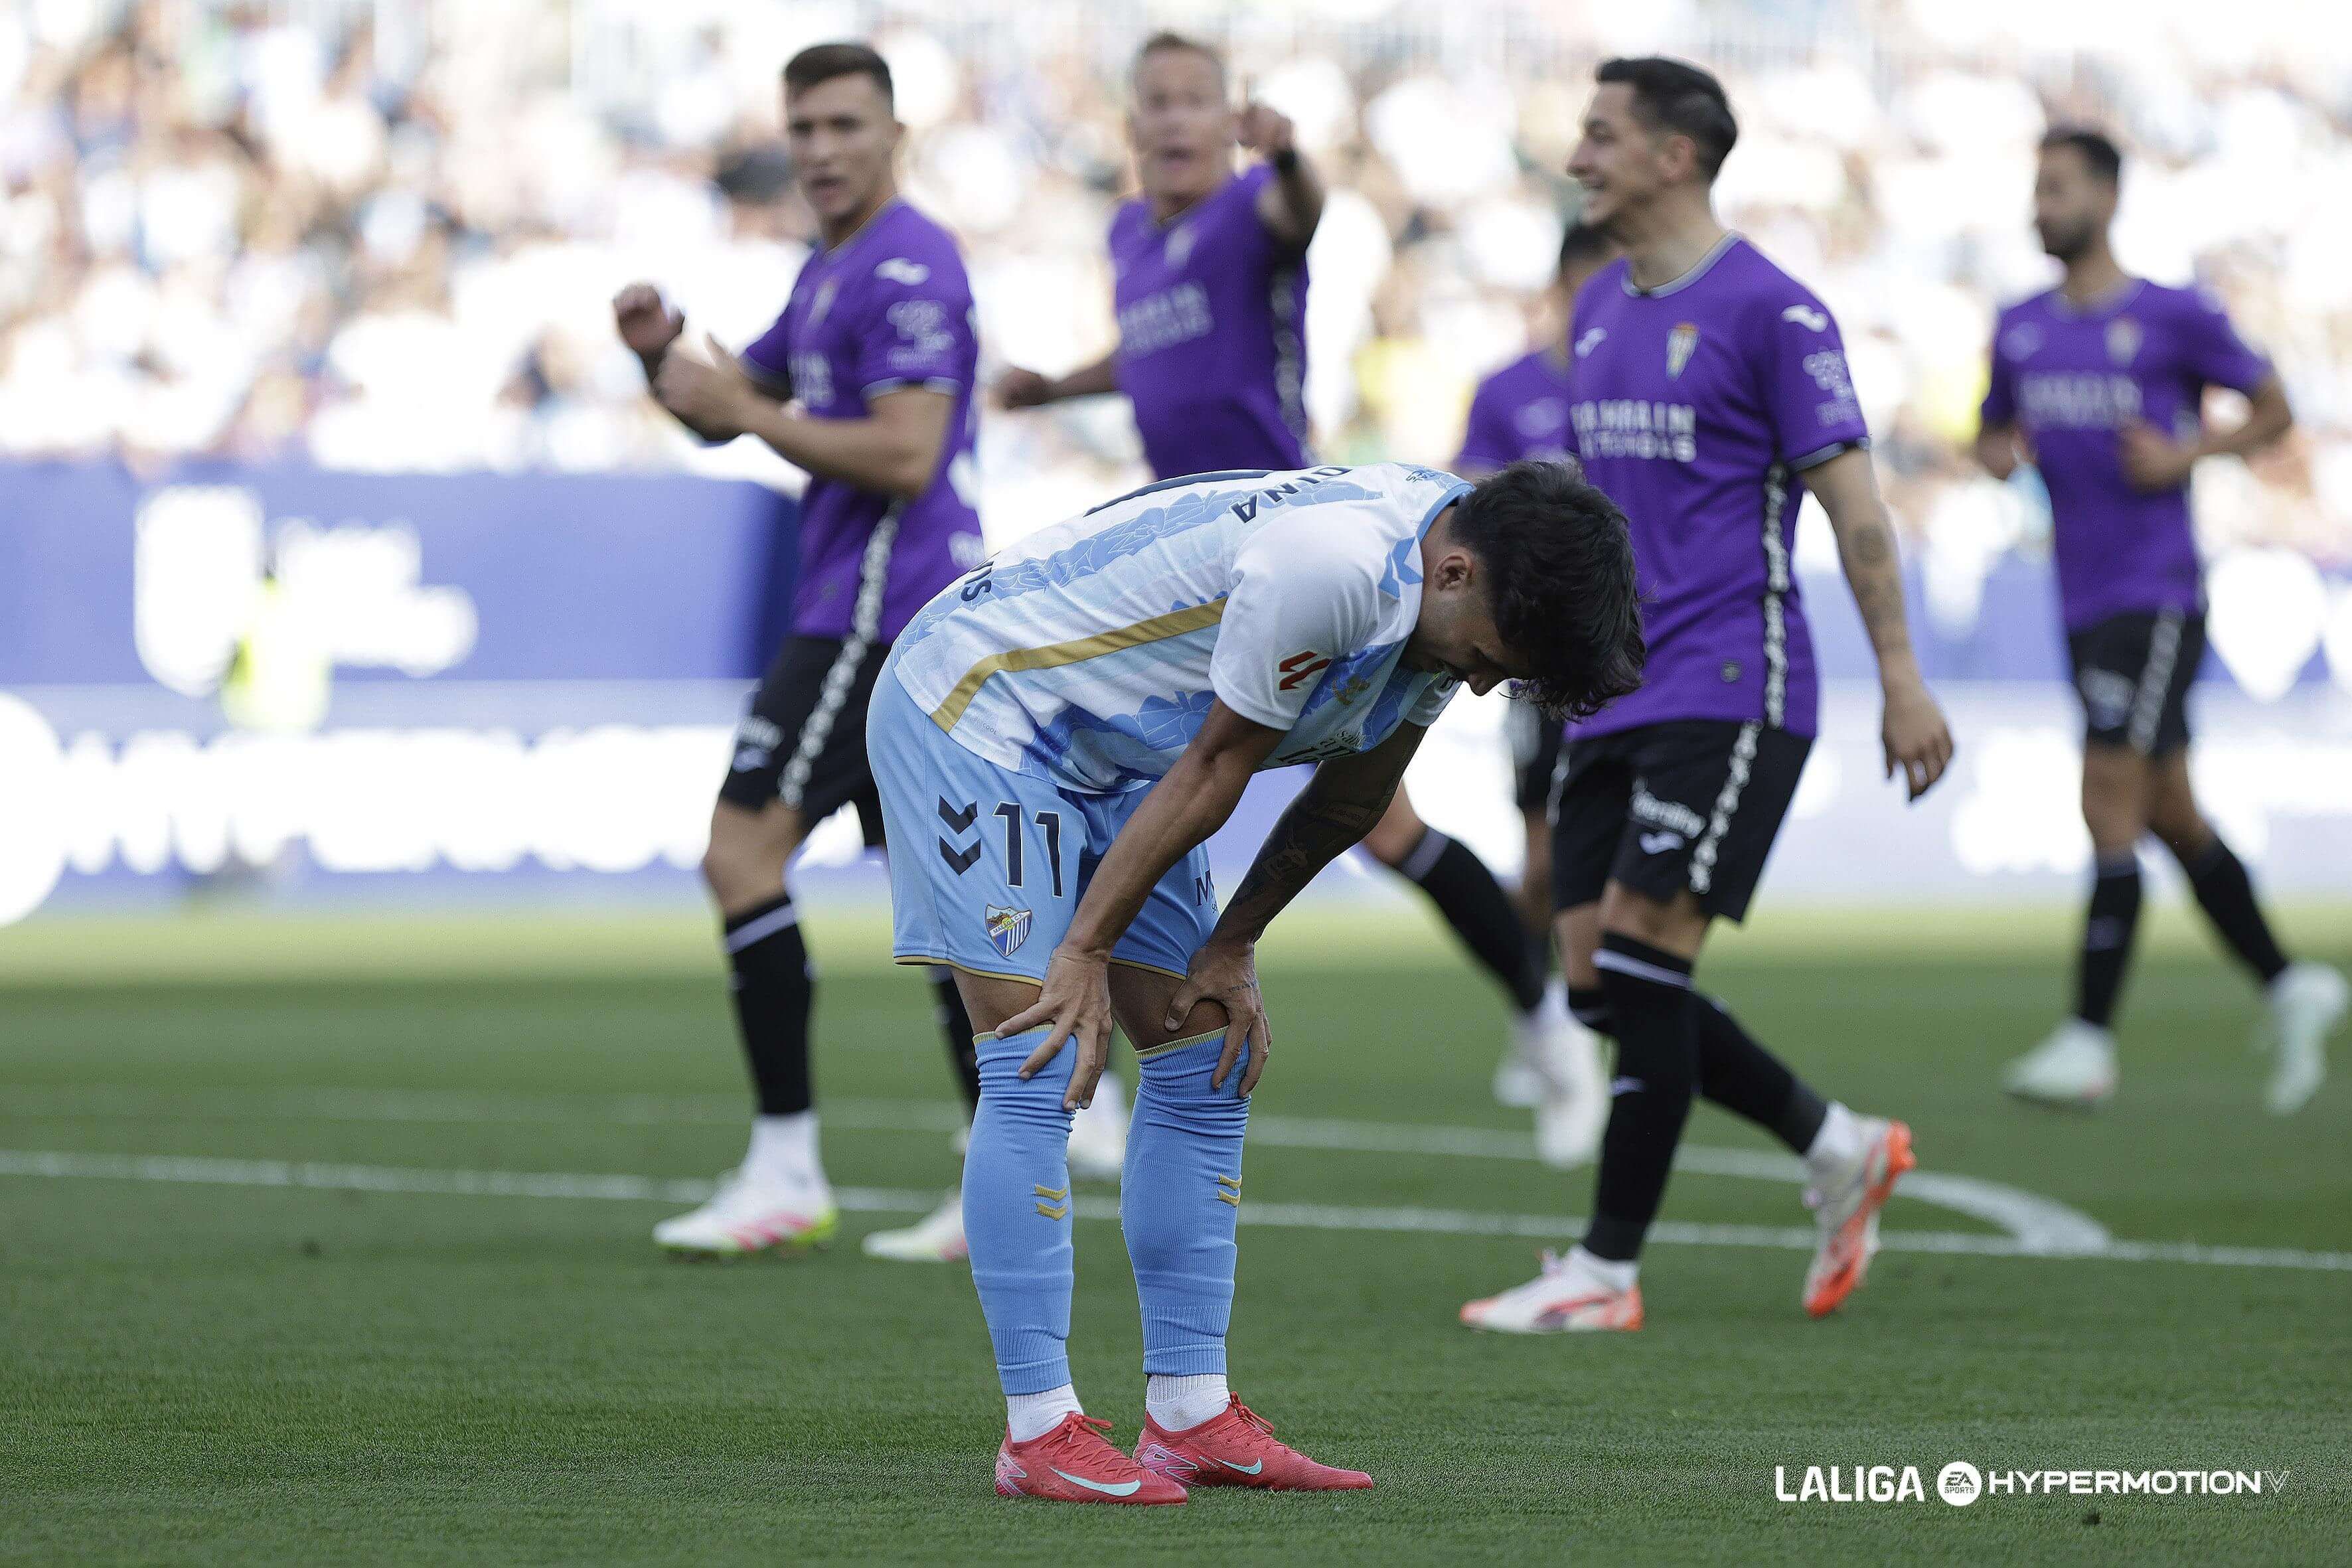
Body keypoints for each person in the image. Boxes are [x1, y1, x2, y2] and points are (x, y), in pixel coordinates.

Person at [870, 459, 1644, 1502]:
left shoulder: (1451, 581)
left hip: (1118, 755)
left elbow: (1351, 799)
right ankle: (1036, 1428)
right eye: (1490, 660)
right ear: (1456, 571)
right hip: (984, 704)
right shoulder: (1333, 568)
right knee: (1039, 1049)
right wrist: (1084, 949)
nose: (1482, 684)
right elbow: (1219, 767)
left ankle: (1188, 1413)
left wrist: (1232, 944)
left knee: (1205, 1047)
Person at [997, 31, 1601, 1166]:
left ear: (1227, 120)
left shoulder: (1250, 214)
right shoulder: (1133, 235)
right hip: (1177, 564)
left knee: (1363, 815)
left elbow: (1303, 212)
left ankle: (1546, 1016)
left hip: (1289, 555)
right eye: (1157, 102)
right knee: (1170, 786)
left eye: (1197, 102)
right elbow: (1147, 356)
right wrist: (1053, 386)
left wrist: (1290, 160)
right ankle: (1090, 1077)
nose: (1176, 120)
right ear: (1132, 128)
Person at [1460, 57, 1955, 1334]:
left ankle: (1605, 1269)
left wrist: (1902, 677)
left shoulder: (1774, 315)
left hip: (1734, 678)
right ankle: (1836, 1140)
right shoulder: (1603, 317)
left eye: (1602, 134)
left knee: (1641, 955)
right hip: (1608, 692)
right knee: (1597, 984)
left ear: (1676, 154)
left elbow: (1856, 510)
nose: (1579, 155)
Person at [611, 42, 1005, 1257]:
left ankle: (786, 1166)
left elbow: (902, 455)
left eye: (844, 124)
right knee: (941, 906)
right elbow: (736, 405)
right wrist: (658, 358)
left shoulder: (914, 267)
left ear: (894, 133)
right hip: (879, 610)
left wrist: (747, 411)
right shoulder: (830, 272)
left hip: (881, 614)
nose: (822, 149)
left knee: (741, 854)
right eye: (804, 127)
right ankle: (1005, 1174)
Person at [1976, 128, 2347, 1113]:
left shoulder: (2174, 314)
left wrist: (2189, 456)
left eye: (2055, 187)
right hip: (2079, 596)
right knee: (2171, 812)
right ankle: (2289, 979)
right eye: (2036, 187)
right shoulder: (2018, 328)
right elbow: (1991, 431)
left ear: (2104, 194)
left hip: (2158, 591)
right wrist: (1997, 456)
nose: (2040, 206)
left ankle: (2088, 1040)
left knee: (2108, 791)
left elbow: (2273, 406)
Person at [1456, 218, 1621, 1135]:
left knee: (1611, 859)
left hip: (1621, 654)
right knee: (1545, 859)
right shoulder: (1507, 390)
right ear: (1562, 287)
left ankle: (1585, 1025)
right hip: (1531, 663)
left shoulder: (1641, 393)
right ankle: (1543, 1015)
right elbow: (1471, 506)